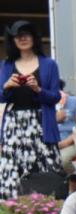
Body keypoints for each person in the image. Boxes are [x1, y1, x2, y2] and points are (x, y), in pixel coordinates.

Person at [0, 20, 62, 199]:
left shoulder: (49, 64)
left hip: (41, 122)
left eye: (27, 34)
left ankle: (48, 208)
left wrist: (38, 89)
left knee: (46, 168)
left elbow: (55, 97)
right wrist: (7, 86)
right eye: (19, 35)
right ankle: (13, 211)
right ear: (12, 40)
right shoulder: (6, 65)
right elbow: (1, 97)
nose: (23, 38)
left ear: (35, 38)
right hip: (14, 123)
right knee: (12, 167)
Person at [55, 85, 76, 173]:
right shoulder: (44, 103)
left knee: (63, 159)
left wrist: (66, 142)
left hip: (73, 142)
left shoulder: (74, 101)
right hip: (52, 143)